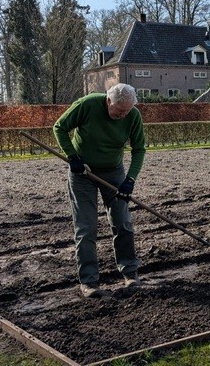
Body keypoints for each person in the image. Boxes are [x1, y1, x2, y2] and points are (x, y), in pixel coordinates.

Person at [53, 83, 146, 298]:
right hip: (82, 173)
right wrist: (72, 157)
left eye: (127, 111)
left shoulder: (132, 115)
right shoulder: (87, 105)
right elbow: (59, 127)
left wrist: (130, 180)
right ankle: (89, 282)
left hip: (114, 172)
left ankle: (130, 273)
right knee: (86, 227)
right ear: (108, 100)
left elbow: (139, 149)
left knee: (122, 222)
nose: (123, 115)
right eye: (119, 111)